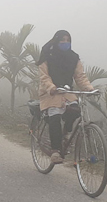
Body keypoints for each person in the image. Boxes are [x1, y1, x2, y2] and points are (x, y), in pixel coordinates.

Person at [37, 30, 94, 164]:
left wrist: (89, 88)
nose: (65, 43)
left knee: (75, 111)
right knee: (55, 116)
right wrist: (52, 88)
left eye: (67, 40)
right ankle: (55, 151)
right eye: (62, 40)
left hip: (67, 92)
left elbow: (80, 76)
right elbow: (44, 77)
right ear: (56, 41)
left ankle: (66, 133)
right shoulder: (47, 55)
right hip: (50, 92)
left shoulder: (73, 57)